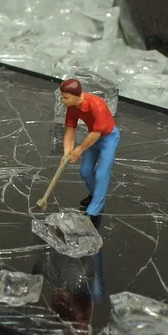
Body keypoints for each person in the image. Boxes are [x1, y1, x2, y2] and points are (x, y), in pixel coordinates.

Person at [59, 78, 119, 229]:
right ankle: (95, 195)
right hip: (92, 138)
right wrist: (67, 152)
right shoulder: (72, 107)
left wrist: (79, 150)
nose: (62, 100)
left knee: (101, 174)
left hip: (108, 139)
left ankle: (94, 209)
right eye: (62, 97)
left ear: (78, 96)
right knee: (85, 171)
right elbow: (70, 131)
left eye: (65, 97)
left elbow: (97, 133)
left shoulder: (97, 104)